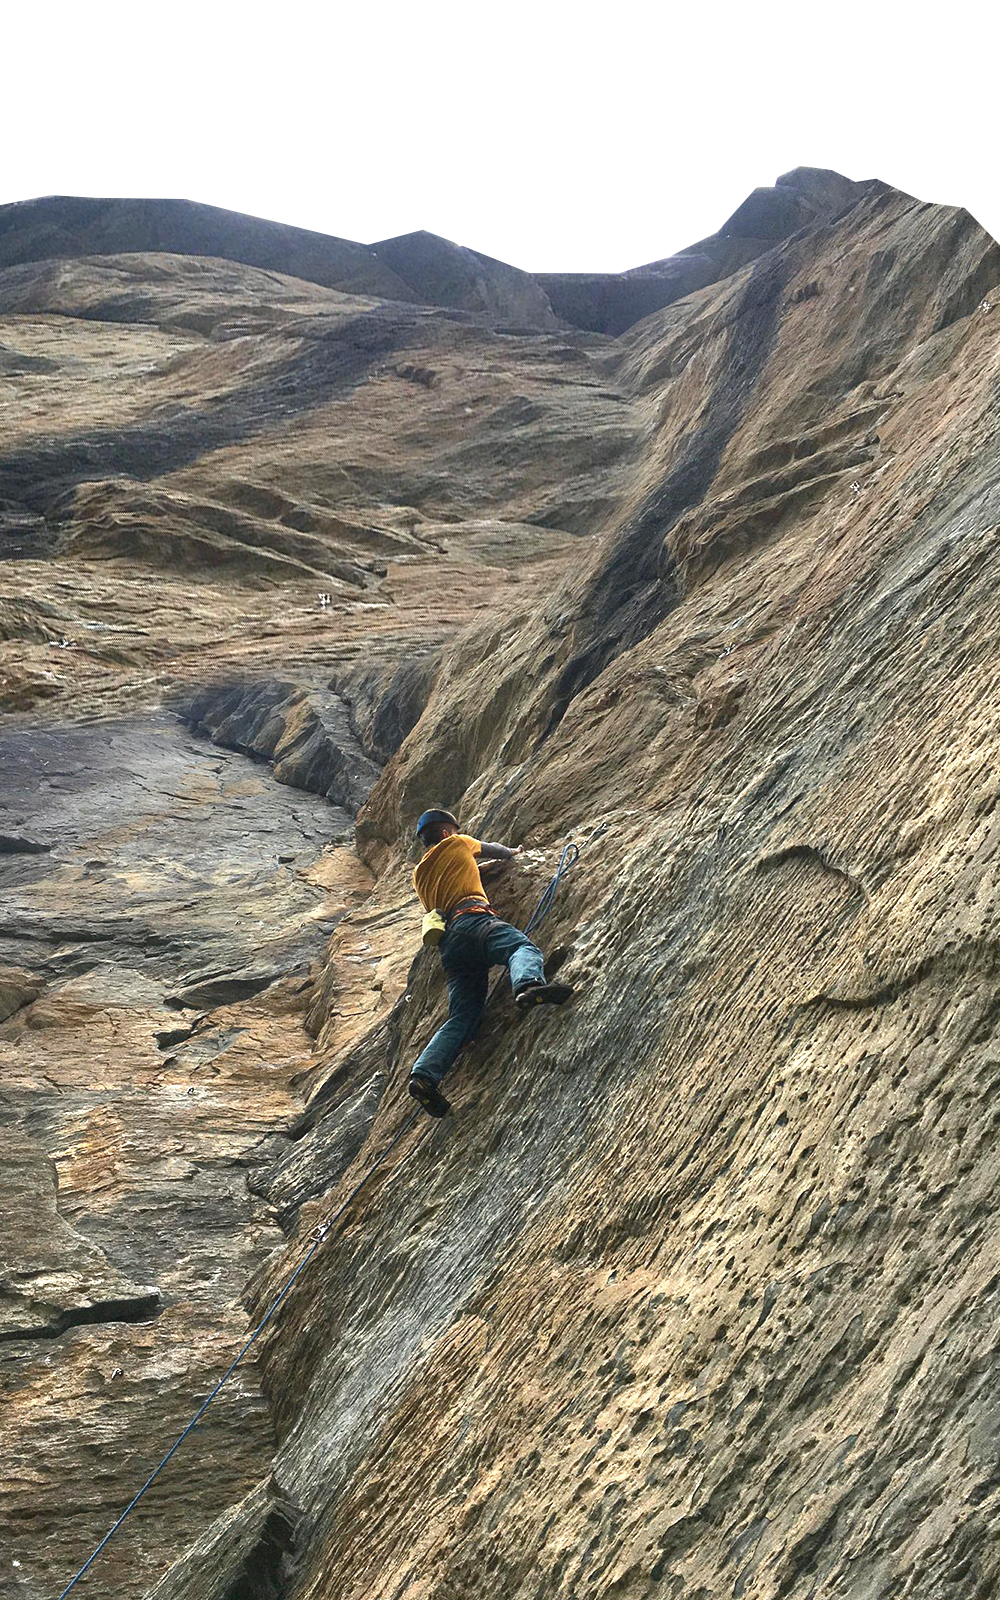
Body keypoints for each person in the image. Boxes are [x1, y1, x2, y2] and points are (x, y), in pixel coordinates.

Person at [407, 808, 573, 1116]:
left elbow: (449, 882)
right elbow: (495, 850)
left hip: (449, 946)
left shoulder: (419, 874)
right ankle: (528, 985)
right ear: (445, 833)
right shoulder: (456, 843)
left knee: (462, 1016)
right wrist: (514, 852)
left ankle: (424, 1076)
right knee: (520, 948)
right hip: (473, 921)